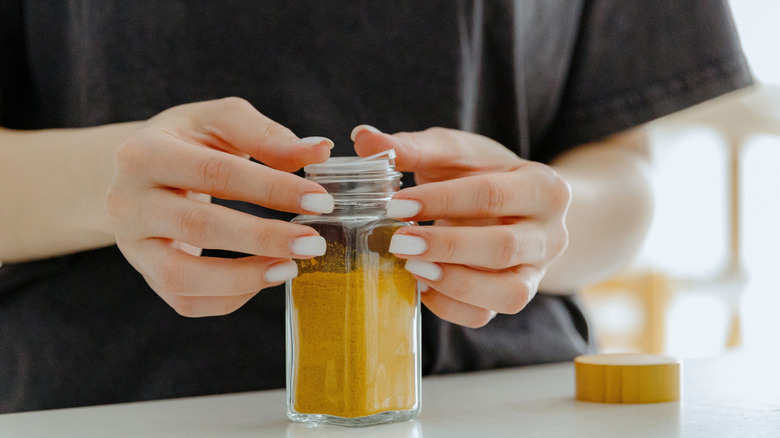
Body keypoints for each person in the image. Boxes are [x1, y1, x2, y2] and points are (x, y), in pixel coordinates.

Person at [0, 0, 751, 413]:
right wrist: (102, 179)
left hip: (499, 401)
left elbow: (623, 170)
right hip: (105, 405)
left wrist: (539, 223)